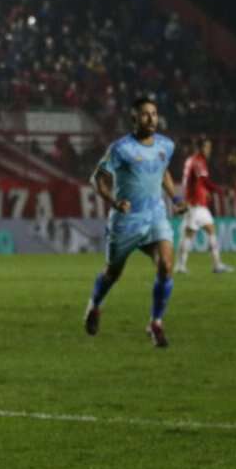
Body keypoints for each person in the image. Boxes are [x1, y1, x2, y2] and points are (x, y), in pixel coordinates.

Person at [83, 97, 187, 347]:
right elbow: (97, 179)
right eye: (145, 114)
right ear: (134, 118)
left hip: (156, 216)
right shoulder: (120, 149)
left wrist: (175, 198)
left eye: (154, 113)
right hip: (126, 221)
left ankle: (155, 323)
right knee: (113, 273)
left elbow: (163, 171)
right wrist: (114, 201)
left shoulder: (166, 145)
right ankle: (94, 305)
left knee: (166, 266)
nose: (151, 118)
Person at [175, 136, 234, 274]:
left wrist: (203, 192)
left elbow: (196, 182)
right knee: (189, 234)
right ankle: (181, 266)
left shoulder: (191, 160)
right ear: (200, 147)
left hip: (197, 203)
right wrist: (221, 191)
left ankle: (216, 264)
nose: (209, 150)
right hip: (195, 204)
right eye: (207, 147)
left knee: (209, 230)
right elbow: (204, 180)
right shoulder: (198, 161)